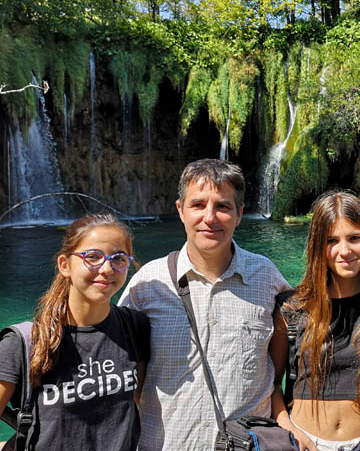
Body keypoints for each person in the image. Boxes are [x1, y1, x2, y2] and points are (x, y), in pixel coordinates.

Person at [119, 158, 291, 450]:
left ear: (239, 214)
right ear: (180, 211)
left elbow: (279, 370)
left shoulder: (267, 278)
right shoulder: (148, 284)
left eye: (223, 207)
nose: (209, 218)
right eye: (198, 205)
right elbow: (122, 373)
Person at [0, 214, 150, 451]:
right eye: (92, 257)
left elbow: (145, 405)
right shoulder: (23, 344)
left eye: (118, 258)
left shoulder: (134, 327)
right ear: (65, 265)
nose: (106, 269)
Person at [272, 191, 360, 451]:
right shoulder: (291, 308)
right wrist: (289, 430)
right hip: (303, 443)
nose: (344, 250)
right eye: (331, 240)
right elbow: (271, 385)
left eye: (354, 238)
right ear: (317, 246)